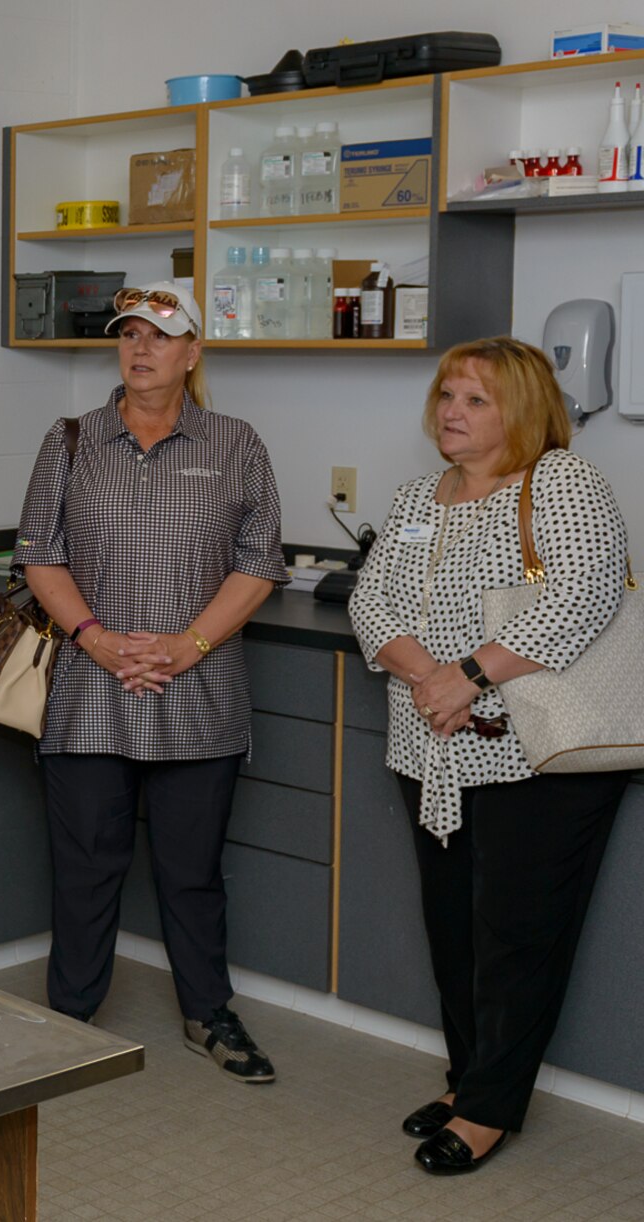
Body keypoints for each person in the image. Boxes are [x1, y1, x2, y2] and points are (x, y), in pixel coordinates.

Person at [348, 337, 630, 1176]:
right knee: (453, 927)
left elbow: (585, 594)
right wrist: (431, 681)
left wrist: (467, 676)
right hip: (428, 744)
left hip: (531, 756)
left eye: (474, 399)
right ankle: (470, 1076)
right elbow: (373, 602)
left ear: (522, 409)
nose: (451, 413)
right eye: (446, 396)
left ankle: (490, 1110)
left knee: (517, 936)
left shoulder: (563, 484)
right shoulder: (415, 498)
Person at [13, 281, 287, 1083]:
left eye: (161, 337)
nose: (141, 348)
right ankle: (69, 1018)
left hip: (198, 695)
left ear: (193, 353)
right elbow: (40, 553)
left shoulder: (236, 444)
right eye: (129, 334)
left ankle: (209, 1014)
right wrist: (96, 641)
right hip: (90, 691)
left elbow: (259, 562)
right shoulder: (70, 440)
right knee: (85, 868)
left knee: (192, 872)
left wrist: (189, 644)